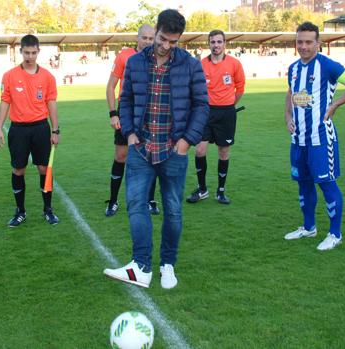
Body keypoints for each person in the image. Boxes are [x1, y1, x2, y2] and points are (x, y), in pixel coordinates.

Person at [104, 9, 209, 289]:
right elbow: (125, 100)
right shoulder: (136, 63)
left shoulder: (190, 64)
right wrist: (129, 134)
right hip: (141, 149)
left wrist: (186, 141)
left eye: (172, 42)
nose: (165, 46)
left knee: (173, 209)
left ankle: (167, 265)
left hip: (174, 150)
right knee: (136, 205)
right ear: (156, 32)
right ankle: (141, 266)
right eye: (162, 39)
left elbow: (201, 105)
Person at [283, 22, 345, 251]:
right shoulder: (293, 68)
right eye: (300, 42)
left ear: (318, 43)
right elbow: (290, 93)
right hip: (298, 139)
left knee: (327, 183)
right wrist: (287, 116)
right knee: (303, 183)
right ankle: (308, 227)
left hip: (321, 138)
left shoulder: (328, 66)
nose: (304, 46)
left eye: (309, 42)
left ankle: (335, 233)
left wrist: (336, 103)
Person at [0, 34, 60, 227]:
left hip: (40, 128)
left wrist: (55, 130)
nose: (30, 56)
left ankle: (48, 210)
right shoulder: (9, 76)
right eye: (26, 52)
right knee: (18, 169)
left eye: (33, 52)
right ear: (20, 51)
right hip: (18, 130)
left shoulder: (48, 76)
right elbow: (5, 101)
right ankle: (20, 211)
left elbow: (51, 103)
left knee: (44, 168)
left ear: (38, 51)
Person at [105, 24, 159, 217]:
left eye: (151, 39)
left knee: (152, 157)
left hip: (150, 113)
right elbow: (111, 87)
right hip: (127, 111)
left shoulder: (158, 58)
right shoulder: (124, 56)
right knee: (121, 156)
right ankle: (113, 200)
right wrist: (113, 113)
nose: (147, 42)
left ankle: (150, 200)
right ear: (137, 38)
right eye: (144, 38)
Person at [187, 29, 245, 205]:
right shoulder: (201, 64)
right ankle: (202, 189)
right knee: (199, 150)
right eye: (213, 42)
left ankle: (220, 191)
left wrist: (228, 105)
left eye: (219, 42)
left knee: (223, 151)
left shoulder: (235, 64)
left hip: (226, 112)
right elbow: (194, 88)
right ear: (209, 44)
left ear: (224, 43)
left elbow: (240, 88)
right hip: (205, 112)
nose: (216, 45)